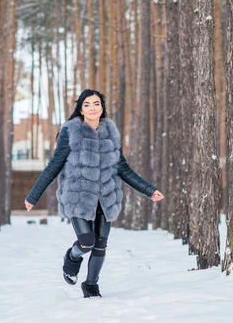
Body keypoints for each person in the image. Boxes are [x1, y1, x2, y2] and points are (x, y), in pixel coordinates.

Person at [24, 89, 164, 298]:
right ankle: (72, 258)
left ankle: (91, 285)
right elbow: (54, 165)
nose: (92, 108)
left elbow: (122, 169)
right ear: (81, 108)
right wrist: (33, 196)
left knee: (100, 245)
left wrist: (149, 190)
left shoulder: (111, 133)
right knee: (86, 242)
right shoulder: (70, 131)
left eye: (96, 103)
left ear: (102, 108)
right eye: (87, 104)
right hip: (78, 198)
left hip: (106, 199)